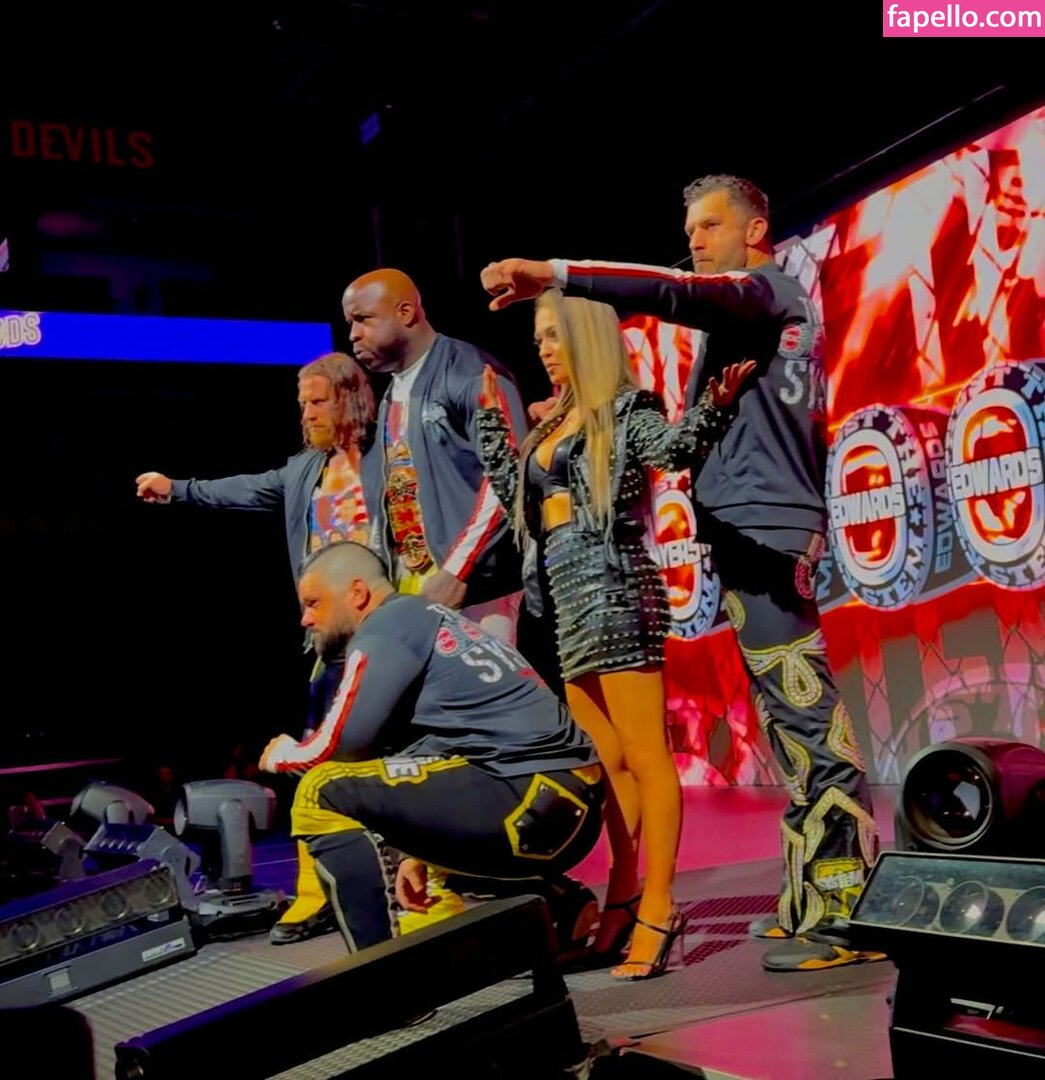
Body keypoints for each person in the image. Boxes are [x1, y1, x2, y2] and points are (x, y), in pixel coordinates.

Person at [479, 174, 881, 972]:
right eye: (689, 227)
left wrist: (555, 273)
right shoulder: (752, 311)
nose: (694, 240)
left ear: (754, 229)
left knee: (804, 714)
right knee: (786, 721)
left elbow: (670, 292)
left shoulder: (761, 292)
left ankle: (844, 915)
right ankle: (811, 896)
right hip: (750, 530)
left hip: (766, 531)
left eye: (709, 225)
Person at [475, 289, 751, 979]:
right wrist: (491, 432)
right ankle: (622, 895)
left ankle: (658, 904)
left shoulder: (626, 410)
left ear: (586, 336)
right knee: (607, 765)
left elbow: (673, 449)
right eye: (538, 337)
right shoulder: (551, 422)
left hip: (619, 588)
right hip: (567, 602)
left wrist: (714, 406)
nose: (542, 348)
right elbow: (521, 503)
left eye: (552, 334)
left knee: (646, 755)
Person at [258, 541, 604, 955]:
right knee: (387, 788)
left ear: (357, 593)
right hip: (562, 807)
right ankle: (559, 905)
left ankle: (385, 976)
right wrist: (416, 853)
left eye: (314, 603)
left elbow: (341, 743)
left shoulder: (387, 624)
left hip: (532, 796)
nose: (305, 619)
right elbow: (439, 757)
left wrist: (283, 753)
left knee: (321, 790)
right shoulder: (425, 618)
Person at [135, 350, 375, 945]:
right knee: (318, 760)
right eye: (302, 404)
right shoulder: (304, 471)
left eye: (317, 402)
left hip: (392, 631)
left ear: (348, 399)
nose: (307, 414)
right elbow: (244, 489)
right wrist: (178, 490)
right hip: (331, 643)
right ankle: (316, 891)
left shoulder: (390, 459)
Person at [343, 269, 528, 646]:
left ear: (406, 312)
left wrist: (459, 569)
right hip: (414, 589)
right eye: (350, 323)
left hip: (477, 589)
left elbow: (508, 477)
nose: (353, 334)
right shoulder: (394, 392)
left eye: (363, 319)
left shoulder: (471, 372)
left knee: (483, 684)